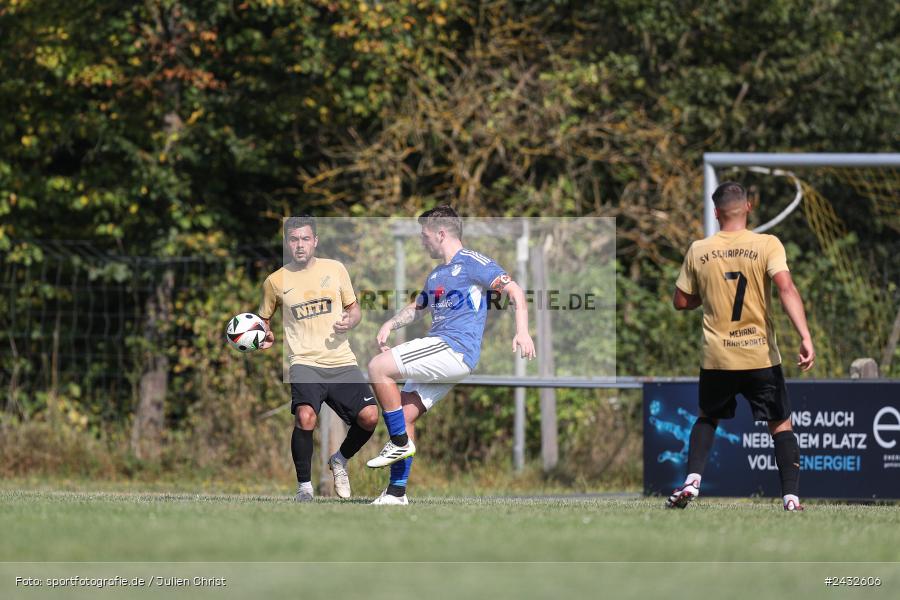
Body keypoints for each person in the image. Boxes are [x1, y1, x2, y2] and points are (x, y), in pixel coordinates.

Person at [365, 206, 536, 505]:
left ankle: (399, 443)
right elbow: (417, 309)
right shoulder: (437, 275)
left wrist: (522, 331)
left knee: (378, 367)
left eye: (425, 235)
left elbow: (516, 292)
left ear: (441, 234)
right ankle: (396, 493)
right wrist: (391, 323)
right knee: (404, 415)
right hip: (446, 353)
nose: (423, 241)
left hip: (453, 348)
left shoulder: (472, 262)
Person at [668, 181, 815, 511]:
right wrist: (805, 335)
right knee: (780, 423)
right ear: (748, 207)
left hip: (717, 357)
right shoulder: (767, 244)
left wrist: (706, 294)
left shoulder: (699, 250)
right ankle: (791, 498)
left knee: (707, 418)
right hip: (759, 355)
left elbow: (680, 300)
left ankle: (692, 482)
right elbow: (786, 288)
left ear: (716, 212)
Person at [258, 215, 378, 501]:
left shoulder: (335, 269)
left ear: (316, 241)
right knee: (305, 416)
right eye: (294, 239)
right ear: (288, 243)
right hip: (304, 361)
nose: (300, 245)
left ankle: (339, 460)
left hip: (340, 360)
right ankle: (304, 488)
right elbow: (263, 321)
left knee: (370, 417)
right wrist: (265, 335)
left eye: (305, 238)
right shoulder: (275, 281)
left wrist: (351, 321)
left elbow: (355, 309)